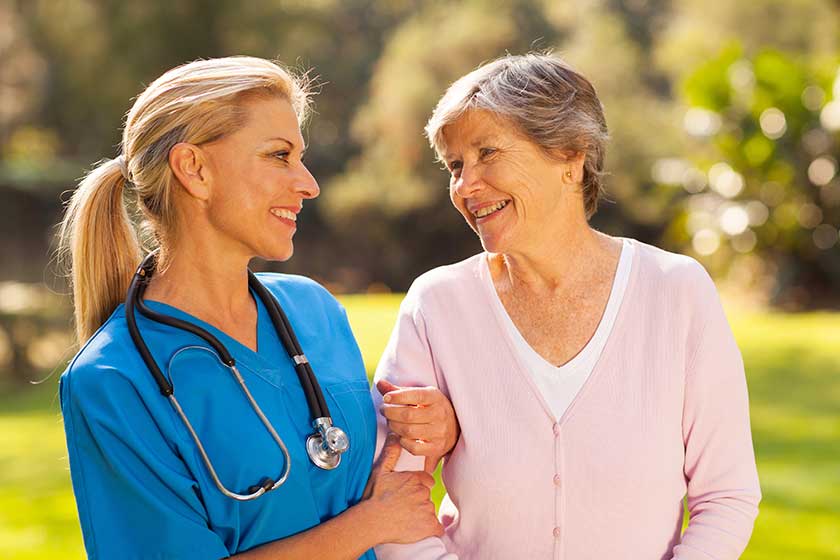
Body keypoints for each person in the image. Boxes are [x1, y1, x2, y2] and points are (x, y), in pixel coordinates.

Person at [372, 53, 761, 559]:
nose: (466, 186)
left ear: (571, 156)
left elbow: (726, 495)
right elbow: (393, 496)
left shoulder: (676, 291)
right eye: (455, 165)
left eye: (488, 153)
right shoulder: (437, 305)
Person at [57, 56, 444, 560]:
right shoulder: (112, 379)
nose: (308, 184)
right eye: (279, 155)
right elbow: (374, 515)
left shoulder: (315, 312)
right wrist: (366, 527)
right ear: (194, 169)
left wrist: (429, 429)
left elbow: (364, 476)